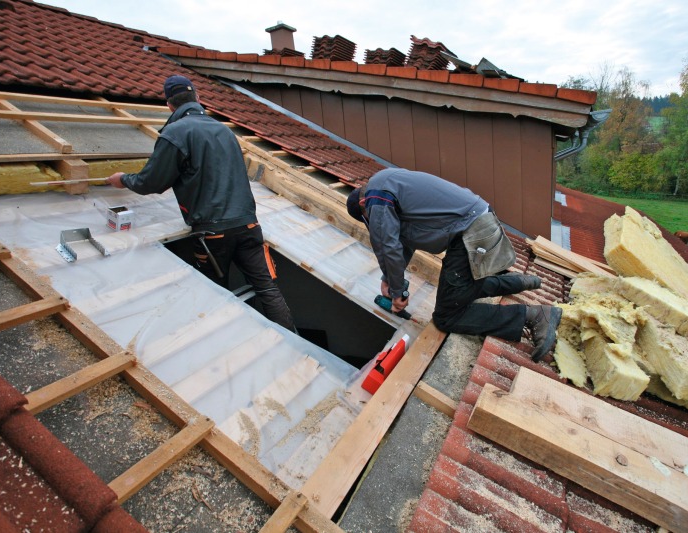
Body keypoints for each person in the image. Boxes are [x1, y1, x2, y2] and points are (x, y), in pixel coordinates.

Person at [106, 74, 296, 332]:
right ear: (198, 98)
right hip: (248, 225)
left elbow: (151, 182)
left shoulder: (174, 133)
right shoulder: (224, 130)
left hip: (213, 232)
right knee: (267, 289)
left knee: (215, 294)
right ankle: (291, 341)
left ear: (169, 106)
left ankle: (222, 346)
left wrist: (122, 180)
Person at [346, 168, 562, 361]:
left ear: (364, 204)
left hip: (472, 236)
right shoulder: (388, 184)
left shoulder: (377, 197)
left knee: (447, 316)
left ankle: (533, 315)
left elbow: (387, 245)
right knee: (458, 288)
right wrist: (389, 279)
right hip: (479, 230)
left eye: (369, 219)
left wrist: (396, 291)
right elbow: (403, 243)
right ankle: (514, 282)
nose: (374, 222)